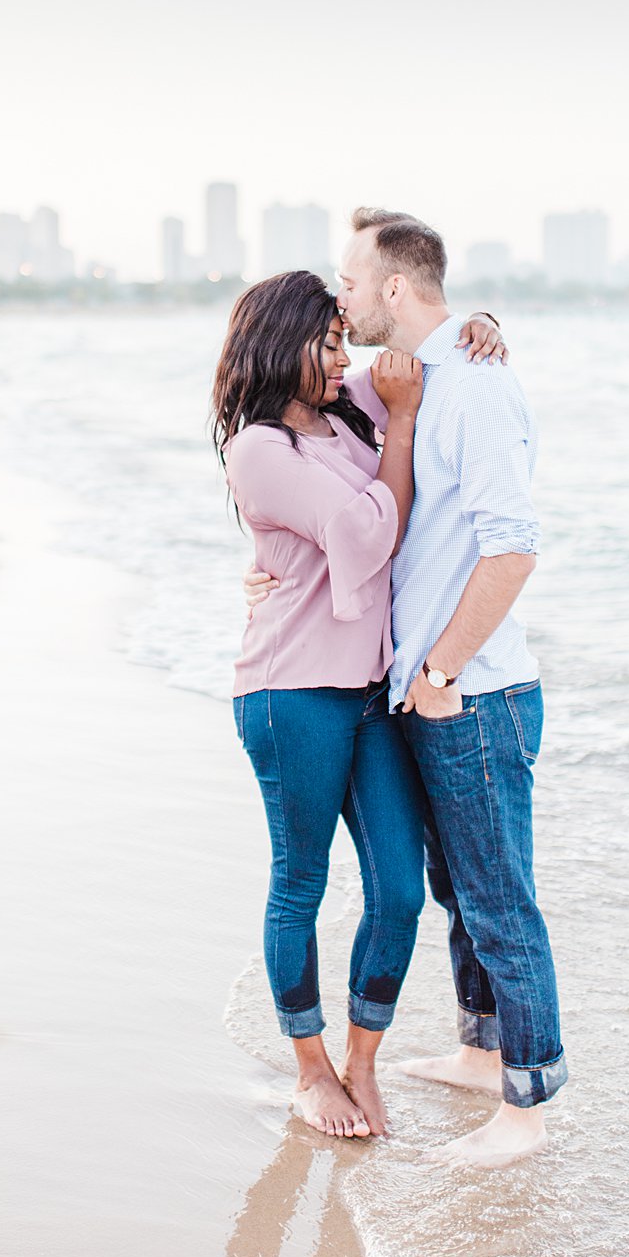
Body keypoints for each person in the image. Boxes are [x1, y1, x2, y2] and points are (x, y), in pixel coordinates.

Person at [247, 209, 567, 1170]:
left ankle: (528, 1103)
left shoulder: (472, 389)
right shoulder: (404, 381)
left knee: (499, 897)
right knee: (456, 888)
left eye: (351, 282)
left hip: (469, 691)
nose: (341, 299)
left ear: (392, 286)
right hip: (416, 692)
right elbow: (277, 390)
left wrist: (439, 672)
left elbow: (513, 549)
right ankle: (480, 1050)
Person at [211, 270, 427, 1140]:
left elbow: (417, 362)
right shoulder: (259, 449)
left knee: (400, 893)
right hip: (289, 690)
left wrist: (477, 325)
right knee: (300, 880)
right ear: (281, 341)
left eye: (344, 342)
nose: (345, 360)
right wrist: (403, 427)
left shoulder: (343, 411)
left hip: (366, 687)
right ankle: (310, 1070)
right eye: (329, 343)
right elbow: (371, 530)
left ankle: (361, 1063)